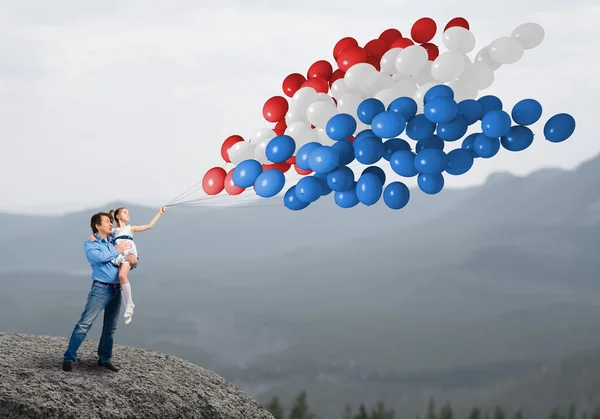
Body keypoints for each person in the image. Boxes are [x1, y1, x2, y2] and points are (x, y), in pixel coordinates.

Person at [62, 212, 138, 372]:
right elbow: (98, 258)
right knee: (84, 324)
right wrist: (117, 250)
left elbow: (126, 259)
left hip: (117, 290)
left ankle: (104, 358)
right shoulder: (91, 244)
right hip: (101, 289)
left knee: (110, 328)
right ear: (97, 226)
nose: (111, 224)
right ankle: (69, 358)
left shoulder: (113, 243)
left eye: (111, 221)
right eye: (107, 222)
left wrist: (134, 261)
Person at [90, 206, 166, 324]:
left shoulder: (130, 228)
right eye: (125, 212)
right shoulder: (114, 231)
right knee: (120, 280)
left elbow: (148, 226)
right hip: (120, 255)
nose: (128, 214)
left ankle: (130, 304)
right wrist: (93, 237)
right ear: (118, 216)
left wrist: (159, 213)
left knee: (122, 276)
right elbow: (102, 236)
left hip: (129, 254)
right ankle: (128, 308)